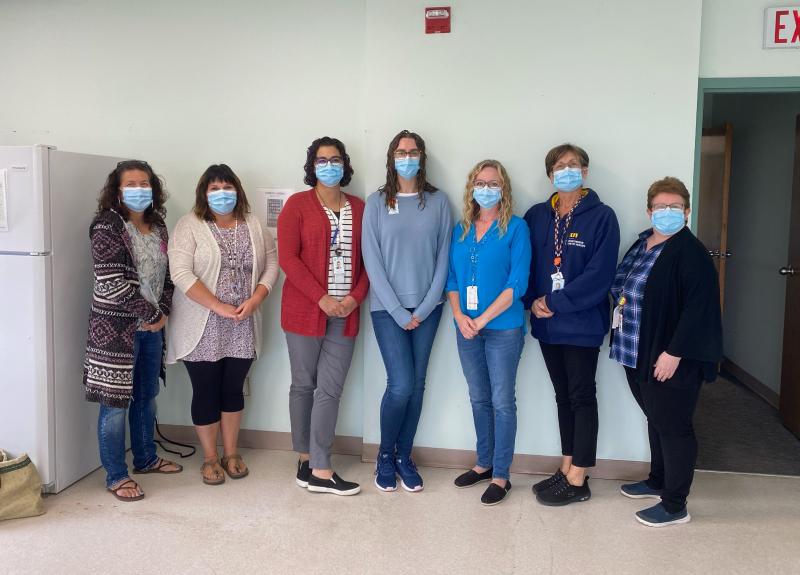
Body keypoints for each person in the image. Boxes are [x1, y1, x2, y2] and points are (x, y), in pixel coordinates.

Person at [610, 176, 721, 527]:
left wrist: (674, 353)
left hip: (670, 357)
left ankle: (675, 504)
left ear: (687, 211)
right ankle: (658, 480)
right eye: (660, 207)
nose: (667, 212)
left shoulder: (690, 252)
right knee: (655, 418)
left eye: (675, 207)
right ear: (648, 211)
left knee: (674, 426)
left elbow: (699, 309)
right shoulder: (642, 244)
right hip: (635, 352)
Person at [167, 164, 278, 485]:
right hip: (202, 323)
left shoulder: (254, 224)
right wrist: (219, 307)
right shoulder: (189, 226)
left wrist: (256, 299)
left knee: (232, 390)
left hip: (243, 322)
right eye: (214, 189)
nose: (221, 194)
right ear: (204, 193)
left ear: (238, 192)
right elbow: (181, 273)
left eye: (227, 188)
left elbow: (272, 264)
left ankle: (231, 453)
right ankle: (210, 458)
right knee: (205, 391)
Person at [522, 143, 620, 506]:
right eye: (560, 166)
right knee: (563, 396)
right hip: (547, 326)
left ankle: (580, 478)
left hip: (581, 324)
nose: (567, 170)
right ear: (550, 174)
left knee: (581, 396)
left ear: (585, 171)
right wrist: (531, 300)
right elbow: (526, 263)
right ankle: (567, 467)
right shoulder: (537, 215)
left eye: (574, 165)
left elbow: (600, 275)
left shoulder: (602, 216)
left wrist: (553, 301)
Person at [84, 160, 181, 502]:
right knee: (114, 405)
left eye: (145, 183)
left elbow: (169, 277)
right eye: (132, 183)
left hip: (152, 329)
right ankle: (116, 474)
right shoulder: (106, 227)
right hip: (115, 332)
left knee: (147, 395)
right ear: (118, 189)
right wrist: (152, 312)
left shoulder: (158, 226)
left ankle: (145, 458)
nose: (139, 189)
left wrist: (163, 312)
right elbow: (111, 283)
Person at [362, 130, 452, 492]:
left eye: (413, 152)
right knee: (400, 385)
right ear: (391, 158)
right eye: (401, 152)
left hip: (430, 308)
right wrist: (399, 311)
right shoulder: (376, 202)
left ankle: (404, 456)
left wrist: (427, 305)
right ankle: (385, 455)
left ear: (422, 157)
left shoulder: (439, 202)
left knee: (417, 386)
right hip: (388, 309)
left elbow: (444, 256)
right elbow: (373, 260)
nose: (407, 157)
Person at [278, 136, 369, 496]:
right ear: (311, 166)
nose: (328, 165)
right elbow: (288, 259)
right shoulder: (297, 206)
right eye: (321, 159)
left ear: (345, 164)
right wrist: (321, 298)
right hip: (304, 312)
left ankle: (320, 466)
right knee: (303, 385)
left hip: (346, 314)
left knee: (330, 389)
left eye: (335, 159)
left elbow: (370, 262)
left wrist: (354, 298)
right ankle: (304, 457)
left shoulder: (361, 208)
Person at [447, 159, 530, 506]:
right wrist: (459, 315)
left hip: (502, 329)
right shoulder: (461, 229)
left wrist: (482, 320)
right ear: (471, 188)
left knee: (501, 401)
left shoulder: (516, 228)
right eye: (480, 183)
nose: (486, 188)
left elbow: (517, 284)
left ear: (504, 188)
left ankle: (501, 475)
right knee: (478, 397)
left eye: (493, 183)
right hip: (465, 327)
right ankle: (482, 464)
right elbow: (452, 279)